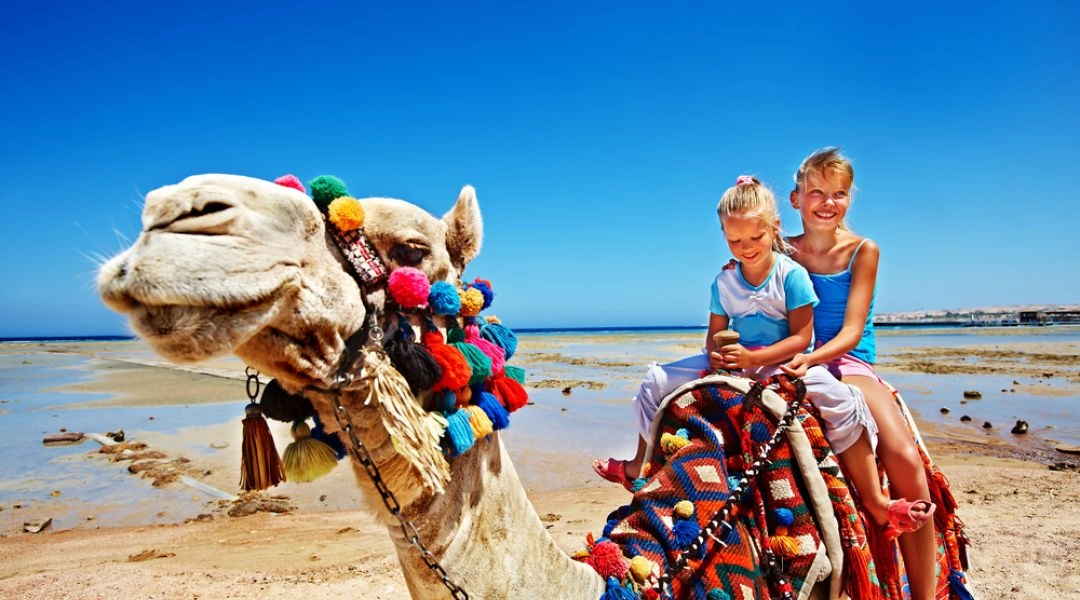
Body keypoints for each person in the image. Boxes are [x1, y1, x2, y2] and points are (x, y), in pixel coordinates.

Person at [593, 175, 916, 541]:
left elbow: (802, 338)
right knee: (655, 381)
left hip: (780, 359)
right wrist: (719, 357)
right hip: (739, 361)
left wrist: (751, 356)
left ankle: (875, 500)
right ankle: (641, 465)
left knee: (843, 401)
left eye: (755, 238)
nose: (745, 248)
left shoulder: (791, 275)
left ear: (774, 227)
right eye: (734, 240)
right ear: (723, 235)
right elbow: (713, 337)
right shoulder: (723, 282)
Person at [779, 147, 937, 600]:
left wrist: (811, 358)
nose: (827, 202)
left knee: (904, 456)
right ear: (796, 198)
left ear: (849, 199)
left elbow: (851, 330)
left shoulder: (863, 250)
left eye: (838, 193)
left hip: (847, 362)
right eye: (816, 192)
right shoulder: (781, 250)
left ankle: (923, 592)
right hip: (794, 355)